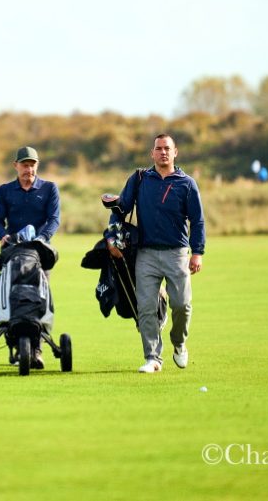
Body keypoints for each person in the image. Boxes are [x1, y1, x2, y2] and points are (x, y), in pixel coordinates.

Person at [108, 134, 205, 374]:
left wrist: (198, 252)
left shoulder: (187, 183)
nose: (163, 152)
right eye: (158, 149)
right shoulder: (140, 179)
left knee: (182, 305)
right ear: (152, 153)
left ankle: (179, 343)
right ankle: (153, 358)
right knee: (146, 308)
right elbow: (121, 209)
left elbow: (198, 221)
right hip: (146, 254)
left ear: (175, 153)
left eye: (167, 149)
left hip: (177, 253)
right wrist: (112, 237)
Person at [0, 145, 61, 368]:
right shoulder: (4, 190)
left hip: (39, 253)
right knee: (11, 295)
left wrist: (42, 238)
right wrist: (3, 236)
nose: (28, 169)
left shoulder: (49, 188)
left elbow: (54, 219)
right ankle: (14, 343)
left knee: (40, 297)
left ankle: (37, 349)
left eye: (32, 165)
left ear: (36, 166)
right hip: (12, 252)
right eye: (24, 165)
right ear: (16, 166)